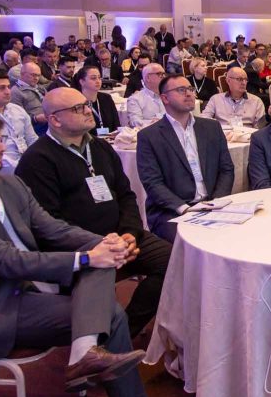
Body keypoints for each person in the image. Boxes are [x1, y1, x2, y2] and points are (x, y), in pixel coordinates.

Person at [0, 110, 186, 397]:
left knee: (100, 264)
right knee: (110, 308)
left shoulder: (7, 183)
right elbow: (8, 261)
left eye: (0, 140)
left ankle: (89, 361)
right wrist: (88, 257)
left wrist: (105, 243)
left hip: (26, 290)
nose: (2, 148)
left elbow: (52, 228)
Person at [16, 88, 172, 340]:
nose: (89, 111)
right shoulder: (37, 160)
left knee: (173, 261)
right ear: (55, 119)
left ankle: (125, 329)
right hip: (81, 248)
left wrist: (130, 234)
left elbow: (126, 194)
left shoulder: (100, 146)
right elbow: (48, 223)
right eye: (78, 108)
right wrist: (102, 245)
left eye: (86, 105)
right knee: (98, 281)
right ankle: (109, 335)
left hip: (121, 235)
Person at [137, 75, 235, 242]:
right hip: (172, 210)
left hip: (211, 204)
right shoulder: (149, 136)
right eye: (181, 90)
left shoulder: (211, 127)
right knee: (195, 240)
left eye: (190, 89)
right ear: (165, 98)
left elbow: (226, 169)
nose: (189, 94)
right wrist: (184, 209)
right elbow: (152, 182)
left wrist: (217, 202)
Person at [202, 67, 266, 128]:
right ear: (228, 81)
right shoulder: (216, 99)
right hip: (222, 133)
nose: (244, 83)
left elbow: (261, 127)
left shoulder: (256, 101)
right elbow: (204, 119)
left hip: (247, 134)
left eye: (246, 80)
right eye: (239, 79)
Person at [76, 65, 121, 135]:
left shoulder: (106, 98)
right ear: (82, 82)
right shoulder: (77, 102)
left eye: (99, 77)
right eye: (93, 78)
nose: (98, 81)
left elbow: (116, 124)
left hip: (110, 139)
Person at [11, 61, 49, 135]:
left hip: (49, 121)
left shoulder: (40, 87)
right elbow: (18, 119)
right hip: (34, 127)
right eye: (33, 75)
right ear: (22, 74)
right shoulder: (15, 92)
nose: (36, 78)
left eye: (38, 75)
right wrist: (35, 119)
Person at [125, 63, 166, 128]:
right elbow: (135, 123)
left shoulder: (170, 96)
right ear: (148, 78)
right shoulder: (135, 99)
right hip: (149, 133)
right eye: (160, 74)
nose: (164, 77)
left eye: (164, 74)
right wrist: (158, 123)